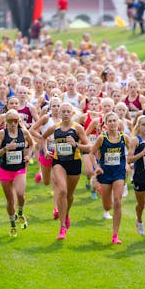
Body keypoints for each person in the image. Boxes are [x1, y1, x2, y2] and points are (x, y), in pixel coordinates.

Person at [41, 103, 90, 240]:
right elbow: (43, 137)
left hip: (74, 164)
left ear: (72, 113)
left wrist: (76, 145)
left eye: (68, 111)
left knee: (69, 195)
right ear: (59, 113)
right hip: (59, 162)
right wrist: (45, 151)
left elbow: (88, 147)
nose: (66, 114)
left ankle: (66, 213)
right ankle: (62, 226)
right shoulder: (55, 128)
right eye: (63, 111)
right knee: (62, 190)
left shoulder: (77, 128)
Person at [0, 109, 34, 237]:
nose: (12, 124)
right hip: (5, 170)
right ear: (5, 122)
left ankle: (21, 213)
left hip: (20, 168)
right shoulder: (2, 134)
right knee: (10, 201)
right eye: (9, 121)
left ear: (18, 121)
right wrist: (6, 148)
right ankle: (12, 225)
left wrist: (29, 156)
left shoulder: (24, 132)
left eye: (15, 121)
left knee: (20, 194)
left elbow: (32, 144)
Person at [91, 112, 128, 244]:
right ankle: (95, 182)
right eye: (110, 121)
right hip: (105, 173)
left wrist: (129, 163)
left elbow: (132, 150)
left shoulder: (124, 137)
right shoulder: (102, 138)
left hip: (119, 173)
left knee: (118, 201)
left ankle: (115, 235)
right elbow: (91, 152)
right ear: (106, 124)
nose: (112, 123)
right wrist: (96, 167)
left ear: (118, 123)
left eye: (114, 121)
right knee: (107, 206)